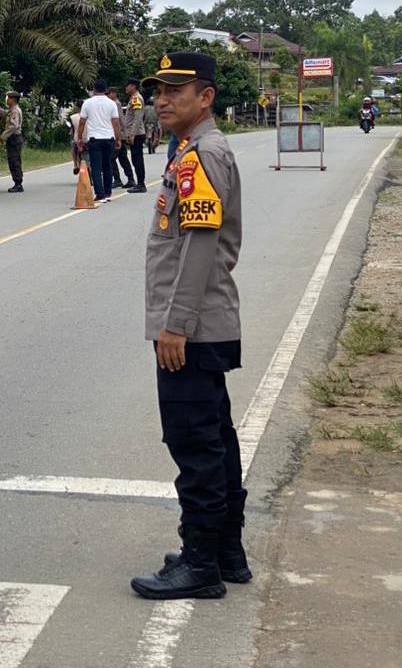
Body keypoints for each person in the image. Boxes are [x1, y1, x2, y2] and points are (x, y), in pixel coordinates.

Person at [131, 51, 249, 600]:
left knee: (194, 443)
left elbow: (200, 244)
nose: (161, 100)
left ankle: (201, 563)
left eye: (174, 91)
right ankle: (225, 552)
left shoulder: (202, 153)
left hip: (192, 328)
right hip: (202, 322)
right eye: (158, 91)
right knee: (215, 436)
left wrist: (174, 325)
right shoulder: (190, 150)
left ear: (205, 97)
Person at [77, 80, 122, 202]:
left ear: (94, 89)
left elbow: (82, 122)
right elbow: (116, 122)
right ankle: (108, 192)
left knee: (96, 167)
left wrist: (79, 138)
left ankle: (100, 194)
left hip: (94, 139)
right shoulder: (111, 103)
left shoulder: (87, 103)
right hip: (109, 138)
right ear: (105, 90)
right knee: (107, 165)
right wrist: (118, 138)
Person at [118, 79, 148, 192]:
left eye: (127, 86)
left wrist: (132, 134)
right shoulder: (133, 98)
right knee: (135, 159)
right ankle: (139, 183)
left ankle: (141, 184)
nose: (126, 88)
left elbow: (137, 117)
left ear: (133, 86)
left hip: (137, 134)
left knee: (137, 159)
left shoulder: (136, 98)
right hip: (135, 133)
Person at [0, 91, 24, 192]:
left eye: (8, 98)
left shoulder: (15, 111)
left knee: (15, 161)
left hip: (14, 138)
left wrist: (3, 136)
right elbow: (4, 113)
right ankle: (17, 183)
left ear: (12, 100)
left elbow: (14, 126)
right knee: (12, 160)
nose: (6, 100)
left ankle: (18, 184)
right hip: (13, 138)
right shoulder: (12, 110)